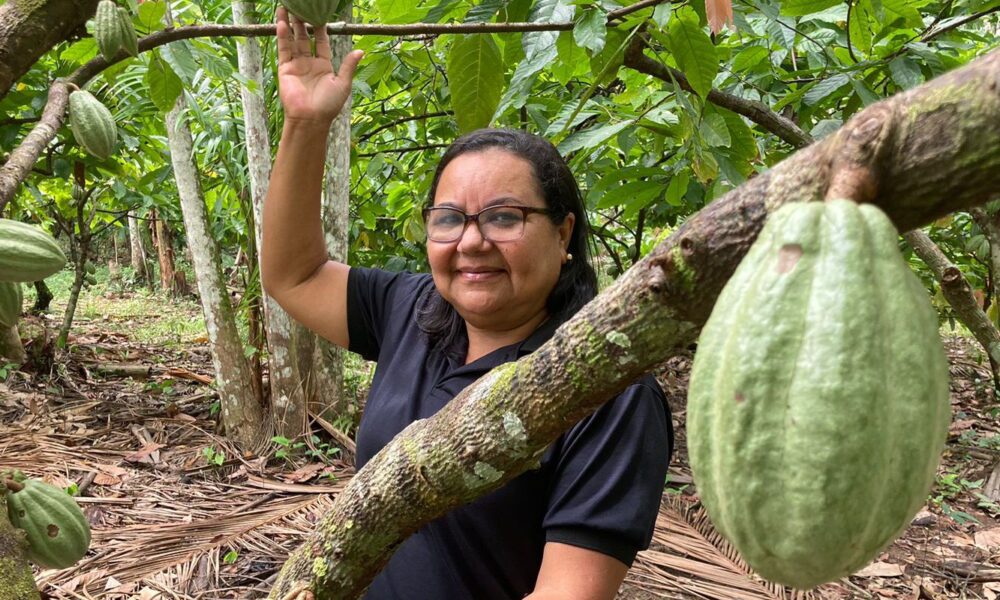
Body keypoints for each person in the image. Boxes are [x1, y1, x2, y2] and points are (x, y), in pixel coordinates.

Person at [262, 8, 672, 600]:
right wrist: (304, 123)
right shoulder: (411, 310)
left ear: (562, 236)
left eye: (506, 216)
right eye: (450, 218)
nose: (472, 241)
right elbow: (293, 274)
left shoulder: (607, 392)